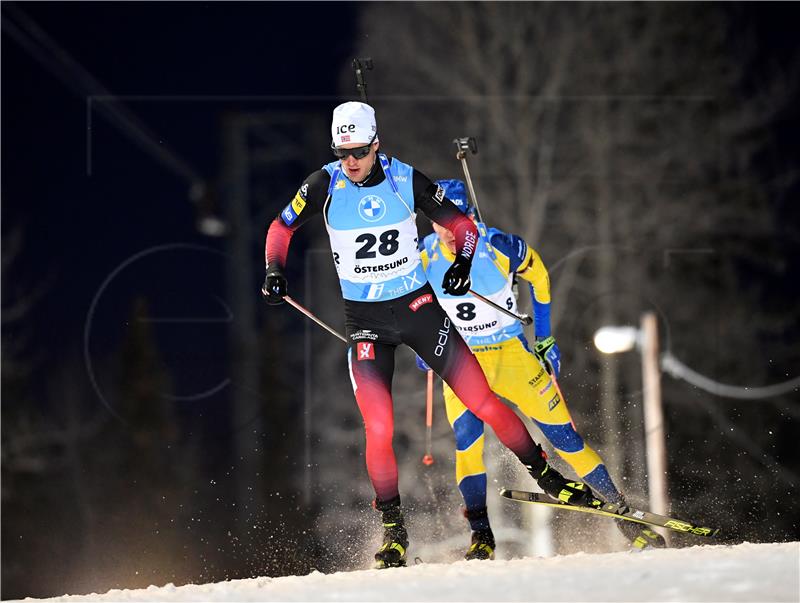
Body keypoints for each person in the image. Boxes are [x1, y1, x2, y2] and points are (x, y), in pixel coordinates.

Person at [262, 101, 602, 569]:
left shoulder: (405, 179)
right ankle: (394, 530)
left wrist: (462, 263)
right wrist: (274, 269)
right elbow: (280, 228)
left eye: (359, 150)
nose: (351, 161)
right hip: (367, 323)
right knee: (378, 427)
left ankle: (548, 477)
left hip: (418, 309)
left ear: (376, 144)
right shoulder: (323, 183)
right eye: (343, 152)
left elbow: (461, 227)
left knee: (483, 399)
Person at [417, 179, 667, 559]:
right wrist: (425, 340)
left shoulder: (499, 245)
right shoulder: (423, 255)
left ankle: (625, 517)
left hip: (511, 355)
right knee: (467, 444)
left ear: (468, 216)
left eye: (454, 221)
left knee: (566, 439)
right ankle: (481, 536)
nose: (447, 232)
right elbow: (410, 298)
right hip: (463, 359)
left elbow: (541, 277)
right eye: (439, 221)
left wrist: (545, 339)